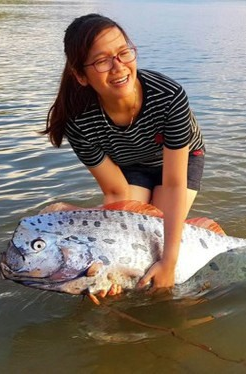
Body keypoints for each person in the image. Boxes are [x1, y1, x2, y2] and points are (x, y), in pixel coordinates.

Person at [42, 14, 206, 296]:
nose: (119, 67)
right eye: (102, 60)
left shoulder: (169, 96)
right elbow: (116, 191)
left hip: (181, 162)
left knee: (158, 238)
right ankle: (64, 216)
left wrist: (169, 260)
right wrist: (107, 264)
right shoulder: (78, 120)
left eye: (123, 52)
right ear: (81, 75)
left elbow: (175, 184)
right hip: (130, 165)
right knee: (125, 240)